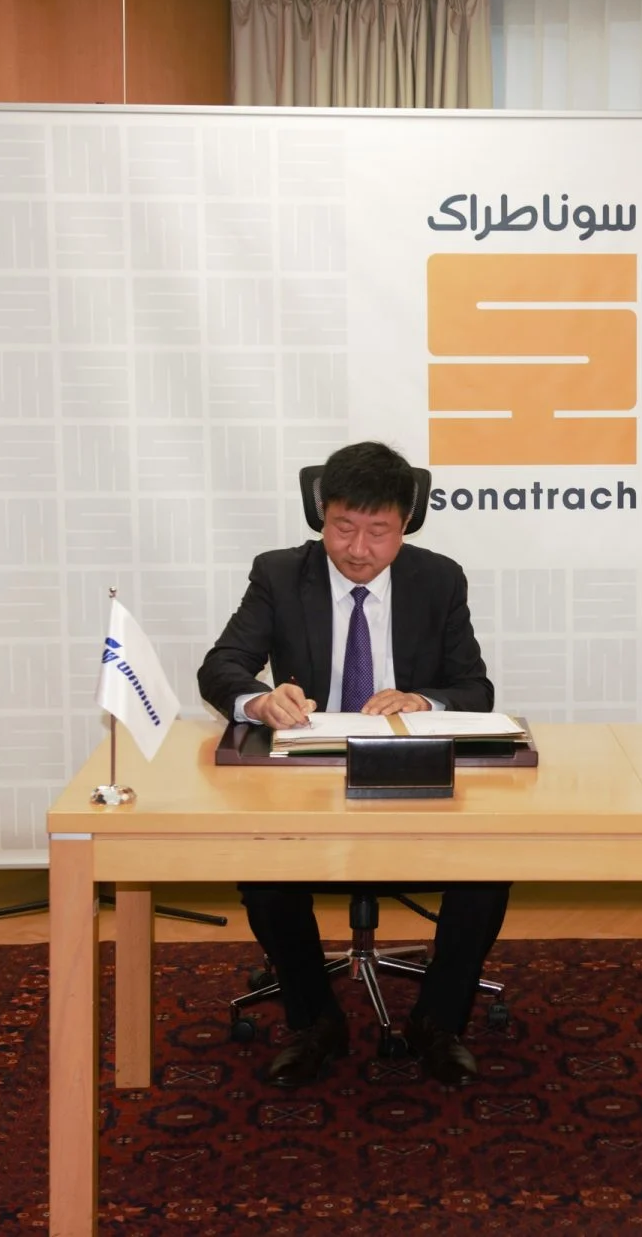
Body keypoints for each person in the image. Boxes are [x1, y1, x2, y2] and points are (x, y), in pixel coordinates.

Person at [198, 441, 506, 1089]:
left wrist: (424, 701)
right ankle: (315, 1020)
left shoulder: (439, 579)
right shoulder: (281, 574)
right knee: (264, 867)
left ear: (406, 524)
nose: (359, 549)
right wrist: (259, 700)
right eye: (343, 527)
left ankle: (438, 1021)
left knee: (489, 862)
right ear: (321, 515)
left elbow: (475, 691)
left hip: (410, 775)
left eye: (378, 531)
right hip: (308, 782)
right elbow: (220, 665)